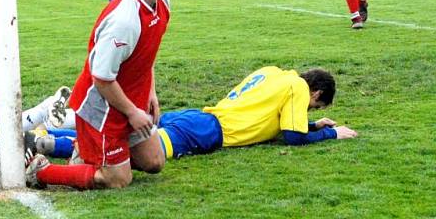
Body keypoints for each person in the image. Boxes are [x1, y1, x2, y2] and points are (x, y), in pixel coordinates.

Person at [25, 0, 171, 190]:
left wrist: (150, 92)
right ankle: (42, 171)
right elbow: (101, 79)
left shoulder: (162, 2)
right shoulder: (124, 20)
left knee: (155, 162)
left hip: (129, 98)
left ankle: (85, 151)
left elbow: (147, 53)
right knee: (118, 180)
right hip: (102, 106)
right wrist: (133, 113)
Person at [29, 66, 357, 161]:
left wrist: (313, 123)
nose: (308, 108)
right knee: (132, 149)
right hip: (209, 132)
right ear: (315, 93)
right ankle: (55, 144)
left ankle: (48, 131)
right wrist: (329, 134)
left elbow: (281, 123)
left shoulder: (276, 73)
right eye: (314, 106)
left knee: (130, 130)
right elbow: (292, 136)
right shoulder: (298, 88)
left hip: (199, 116)